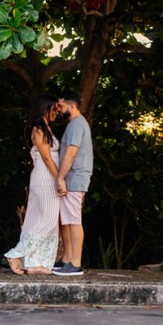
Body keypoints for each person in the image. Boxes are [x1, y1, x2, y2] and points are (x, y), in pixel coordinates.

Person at [4, 97, 64, 275]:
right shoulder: (38, 130)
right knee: (48, 219)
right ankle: (16, 254)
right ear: (44, 109)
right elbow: (46, 158)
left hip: (47, 177)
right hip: (45, 177)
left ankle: (35, 264)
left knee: (41, 220)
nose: (56, 112)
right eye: (53, 109)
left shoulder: (47, 129)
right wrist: (59, 178)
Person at [53, 95, 93, 277]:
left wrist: (60, 178)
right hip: (71, 178)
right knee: (67, 220)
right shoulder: (74, 124)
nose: (58, 109)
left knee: (74, 220)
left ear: (71, 104)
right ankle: (67, 259)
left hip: (75, 177)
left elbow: (71, 153)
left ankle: (75, 263)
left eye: (60, 105)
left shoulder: (77, 124)